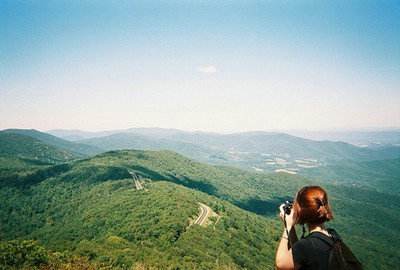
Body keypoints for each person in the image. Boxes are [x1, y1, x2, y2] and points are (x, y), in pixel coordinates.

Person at [275, 186, 335, 270]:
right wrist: (291, 228)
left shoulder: (308, 245)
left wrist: (287, 226)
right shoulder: (332, 236)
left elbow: (281, 264)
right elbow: (299, 255)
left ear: (301, 211)